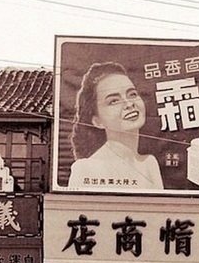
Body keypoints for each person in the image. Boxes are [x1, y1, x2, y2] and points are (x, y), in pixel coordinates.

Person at [68, 62, 163, 190]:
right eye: (113, 101)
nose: (129, 104)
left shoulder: (149, 163)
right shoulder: (84, 169)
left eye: (132, 94)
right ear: (97, 121)